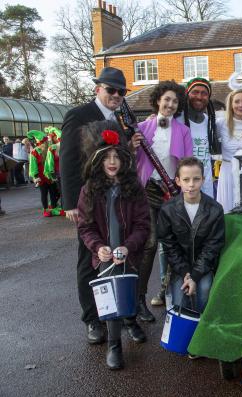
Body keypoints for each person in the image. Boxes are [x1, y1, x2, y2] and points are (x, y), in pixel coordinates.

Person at [60, 66, 142, 345]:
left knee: (116, 254)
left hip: (116, 198)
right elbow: (69, 160)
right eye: (111, 89)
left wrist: (129, 146)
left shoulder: (118, 122)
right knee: (88, 259)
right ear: (98, 89)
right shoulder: (78, 115)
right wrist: (70, 202)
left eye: (121, 91)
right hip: (88, 198)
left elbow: (116, 160)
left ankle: (119, 313)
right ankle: (92, 319)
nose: (117, 95)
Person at [77, 121, 150, 370]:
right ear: (98, 160)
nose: (112, 162)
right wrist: (97, 247)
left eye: (116, 156)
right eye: (106, 157)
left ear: (124, 159)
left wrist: (129, 246)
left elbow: (143, 224)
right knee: (110, 298)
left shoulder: (134, 187)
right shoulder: (89, 189)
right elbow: (85, 227)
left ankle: (131, 321)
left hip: (129, 252)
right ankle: (114, 344)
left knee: (129, 289)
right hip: (105, 255)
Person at [136, 80, 193, 321]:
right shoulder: (141, 127)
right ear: (158, 100)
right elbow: (131, 159)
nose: (170, 104)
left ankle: (167, 290)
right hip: (147, 191)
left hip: (172, 192)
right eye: (166, 99)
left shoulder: (183, 131)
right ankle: (139, 300)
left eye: (174, 101)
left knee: (172, 246)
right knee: (149, 245)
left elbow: (188, 163)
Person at [157, 157, 225, 314]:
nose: (191, 184)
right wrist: (185, 273)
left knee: (204, 290)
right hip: (179, 267)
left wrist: (195, 275)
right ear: (178, 181)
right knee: (179, 304)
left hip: (204, 267)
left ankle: (202, 331)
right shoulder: (168, 210)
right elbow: (169, 246)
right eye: (186, 179)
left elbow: (213, 247)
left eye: (196, 179)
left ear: (203, 179)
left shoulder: (215, 209)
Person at [27, 130, 61, 217]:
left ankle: (53, 207)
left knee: (53, 192)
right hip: (41, 177)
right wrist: (35, 176)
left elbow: (51, 162)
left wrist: (52, 173)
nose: (47, 142)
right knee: (44, 193)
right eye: (45, 141)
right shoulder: (35, 152)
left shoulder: (50, 148)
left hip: (49, 175)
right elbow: (33, 166)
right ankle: (45, 209)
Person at [44, 127, 65, 215]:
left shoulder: (52, 148)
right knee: (62, 191)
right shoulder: (64, 145)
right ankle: (64, 206)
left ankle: (64, 207)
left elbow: (49, 163)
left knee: (61, 191)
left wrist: (50, 173)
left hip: (59, 173)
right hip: (63, 173)